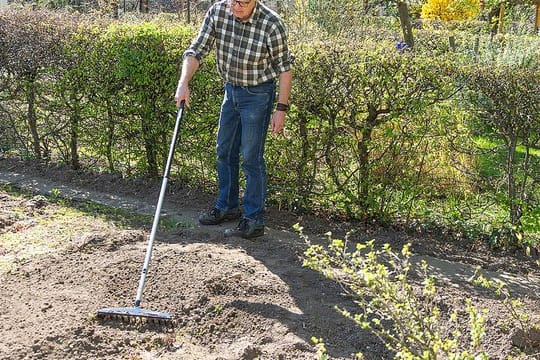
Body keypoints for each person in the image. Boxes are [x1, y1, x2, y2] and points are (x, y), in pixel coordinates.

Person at [175, 0, 293, 239]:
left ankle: (253, 219)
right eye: (233, 0)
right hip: (231, 90)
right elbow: (196, 50)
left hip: (258, 94)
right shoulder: (218, 12)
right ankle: (227, 206)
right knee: (224, 150)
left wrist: (281, 108)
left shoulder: (271, 23)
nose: (236, 6)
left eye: (243, 2)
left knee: (251, 157)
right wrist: (183, 82)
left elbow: (285, 68)